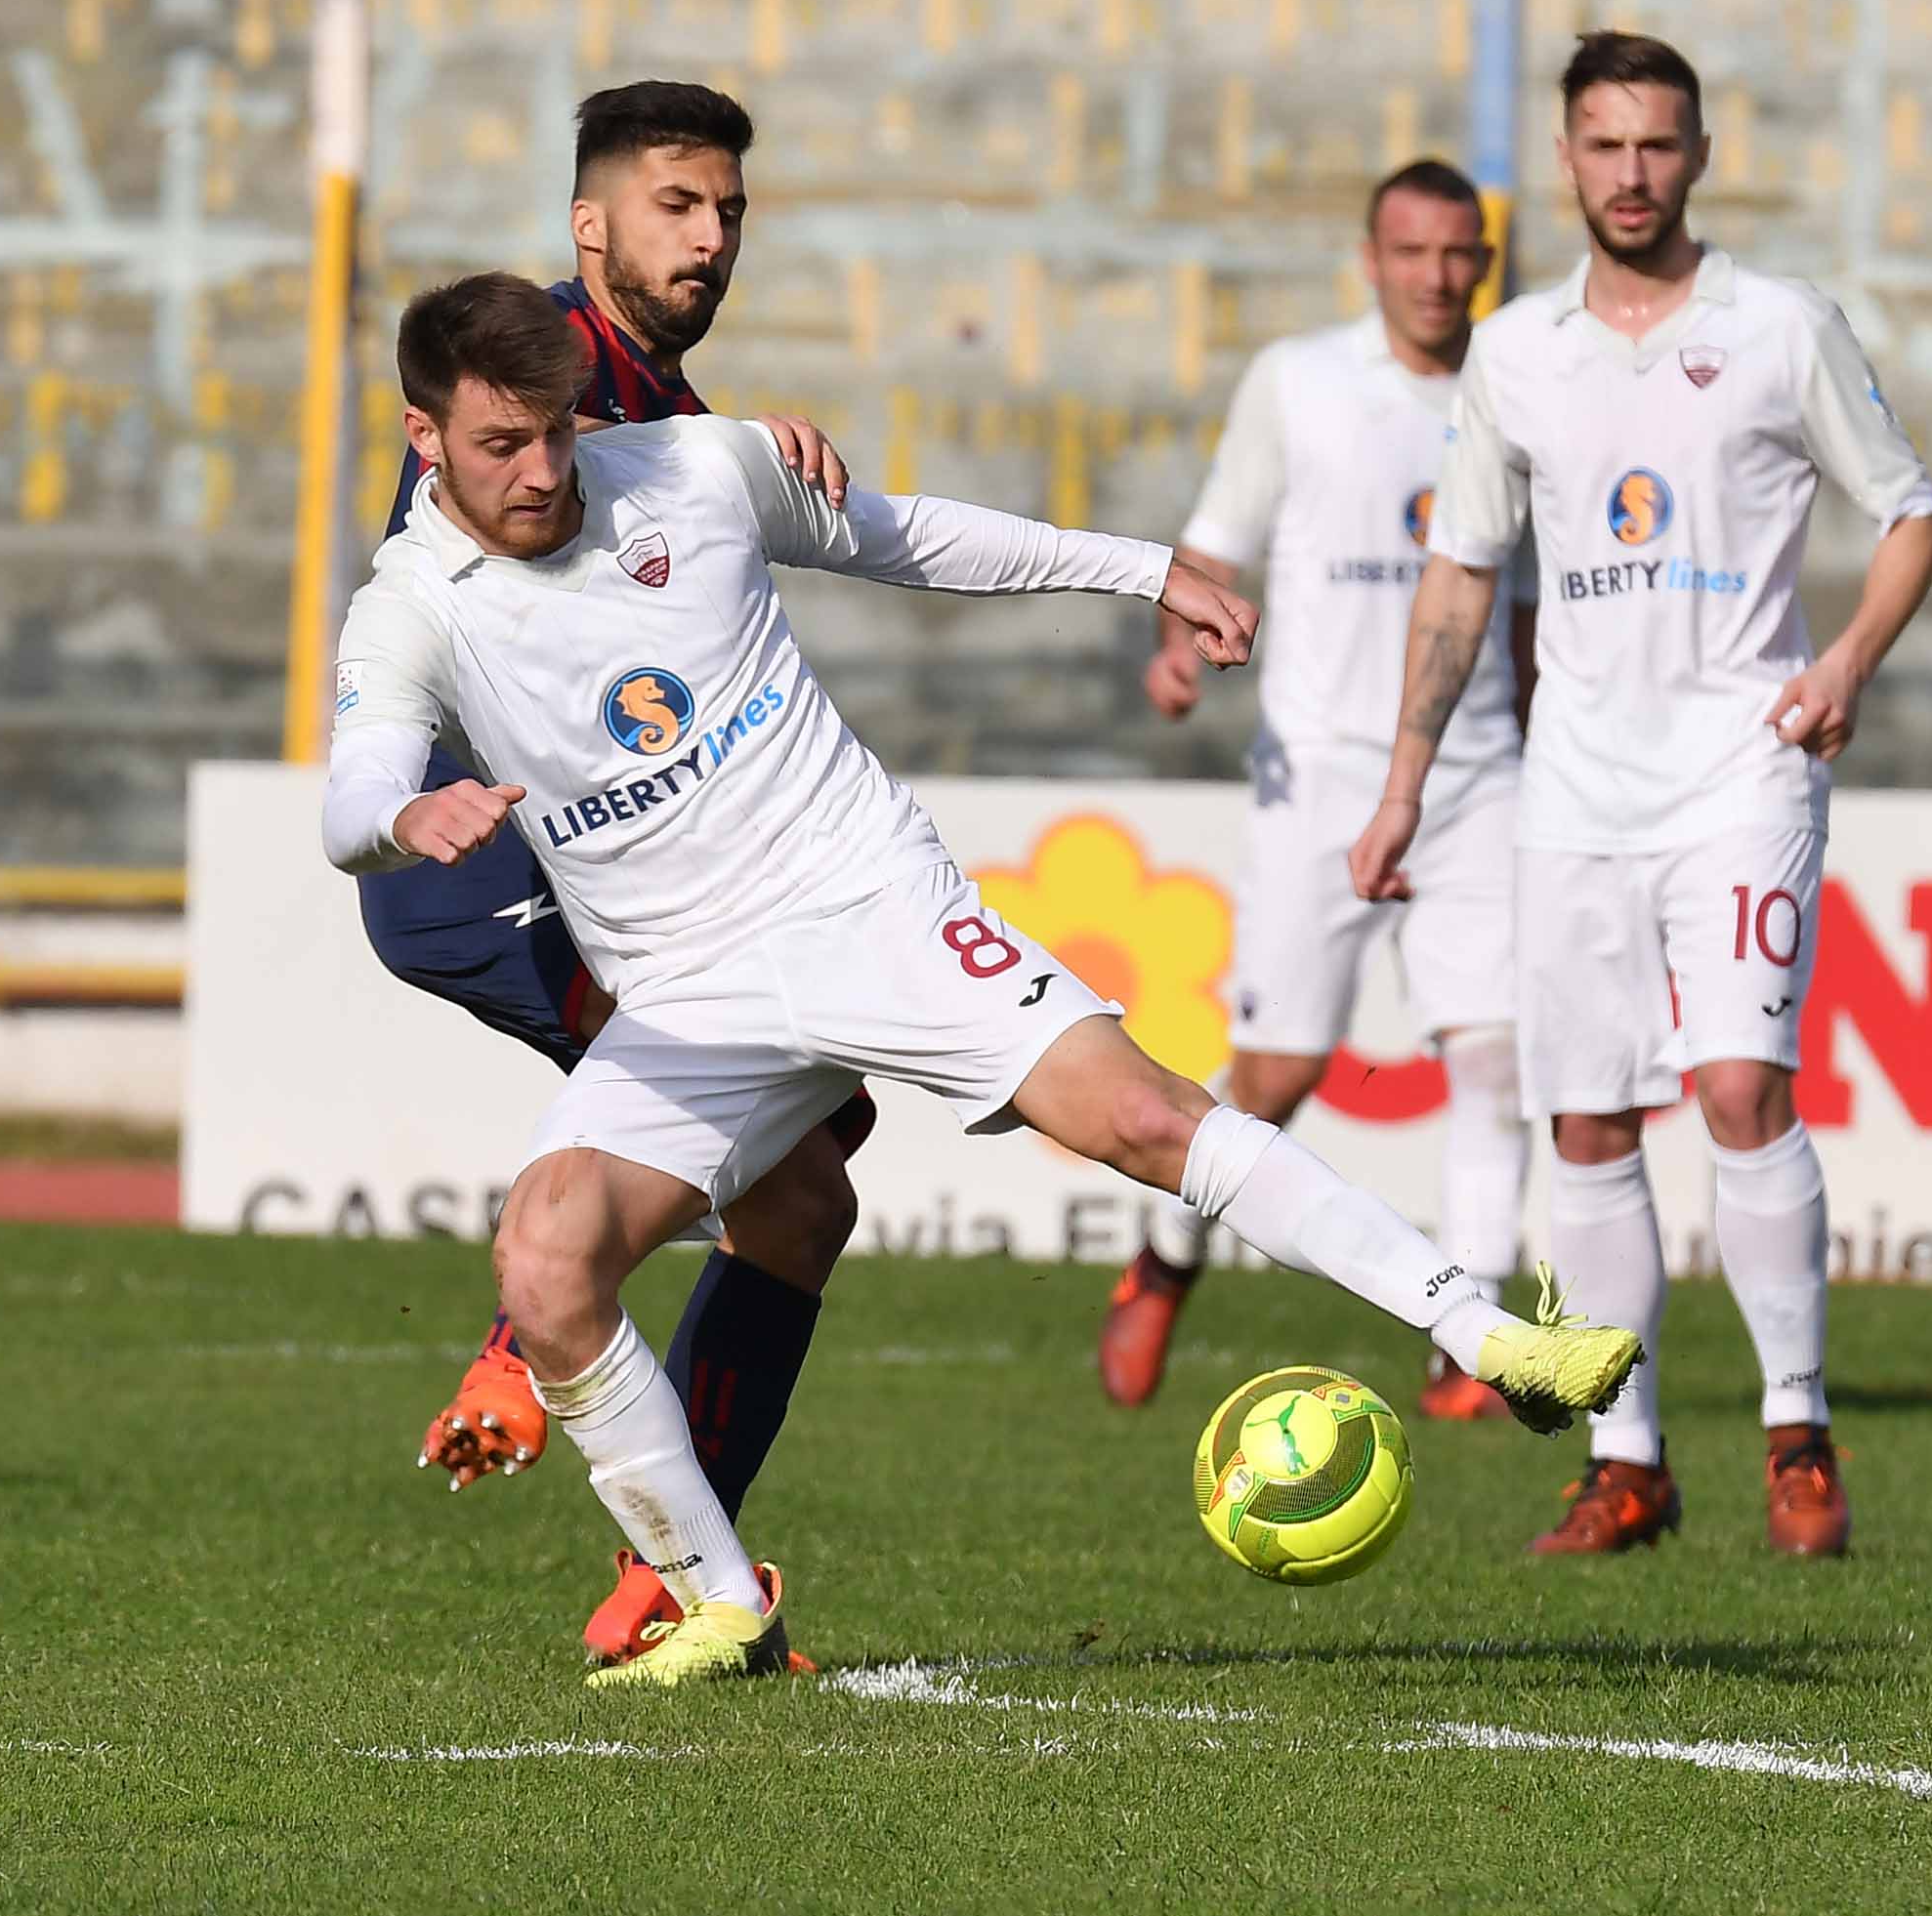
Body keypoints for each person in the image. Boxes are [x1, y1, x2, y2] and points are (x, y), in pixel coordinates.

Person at [323, 273, 1646, 1686]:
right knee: (542, 1257)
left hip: (863, 901)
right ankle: (721, 1602)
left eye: (553, 435)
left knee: (1139, 1116)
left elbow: (909, 539)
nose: (538, 473)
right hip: (690, 992)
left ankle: (1494, 1334)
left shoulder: (696, 469)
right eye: (497, 447)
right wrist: (406, 821)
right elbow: (351, 794)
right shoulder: (411, 607)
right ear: (423, 437)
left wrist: (1143, 568)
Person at [1349, 32, 1932, 1559]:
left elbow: (1911, 513)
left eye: (1657, 146)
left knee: (1738, 1089)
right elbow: (1461, 572)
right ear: (1565, 159)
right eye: (1603, 146)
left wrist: (1851, 663)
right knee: (1585, 1123)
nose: (1630, 174)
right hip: (1573, 790)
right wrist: (1404, 783)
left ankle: (1797, 1427)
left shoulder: (1778, 327)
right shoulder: (1516, 353)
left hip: (1744, 764)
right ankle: (1629, 1463)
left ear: (1697, 156)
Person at [364, 81, 870, 1672]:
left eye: (726, 207)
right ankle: (526, 1349)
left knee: (800, 1188)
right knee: (768, 1127)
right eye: (674, 204)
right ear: (590, 224)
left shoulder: (637, 392)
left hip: (532, 858)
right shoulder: (551, 366)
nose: (709, 235)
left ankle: (679, 1574)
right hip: (490, 849)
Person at [1102, 159, 1535, 1424]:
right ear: (1371, 259)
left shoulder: (1518, 391)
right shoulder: (1299, 381)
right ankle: (1166, 1263)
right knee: (1276, 1072)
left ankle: (1473, 1341)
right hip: (1318, 776)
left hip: (1477, 775)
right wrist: (1181, 641)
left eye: (1461, 254)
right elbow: (1216, 541)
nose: (1437, 277)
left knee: (1494, 1063)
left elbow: (1527, 595)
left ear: (1483, 265)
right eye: (1413, 252)